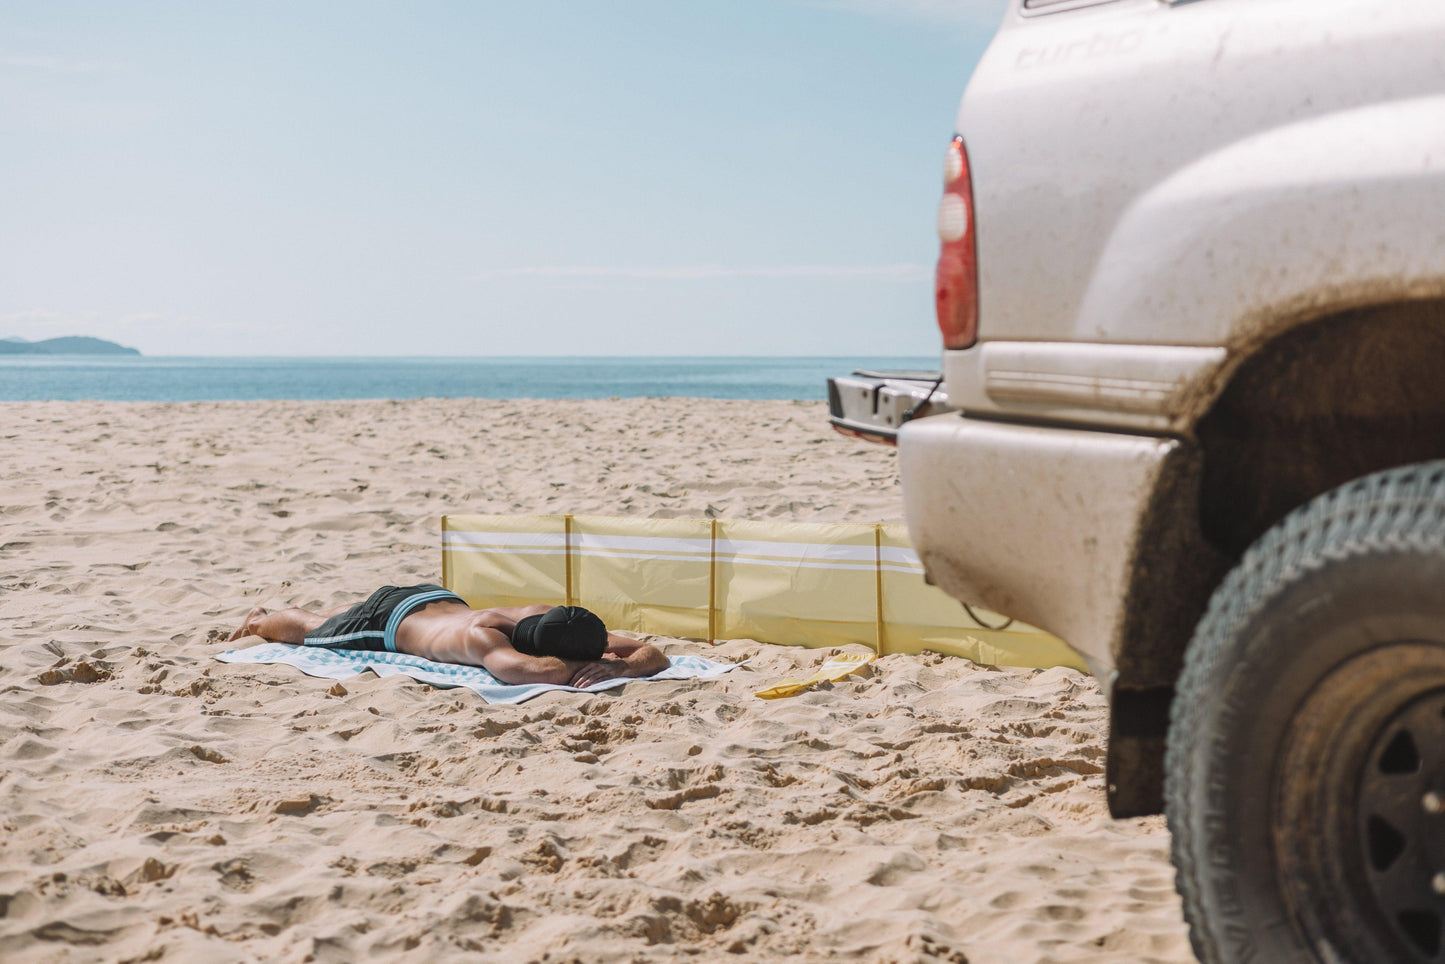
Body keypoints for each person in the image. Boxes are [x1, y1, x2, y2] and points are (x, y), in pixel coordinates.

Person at [228, 584, 669, 688]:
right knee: (310, 630)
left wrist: (624, 663)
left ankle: (270, 615)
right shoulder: (485, 635)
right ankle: (257, 618)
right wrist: (600, 668)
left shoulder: (554, 618)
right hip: (390, 622)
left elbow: (656, 654)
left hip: (432, 597)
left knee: (337, 614)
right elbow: (519, 670)